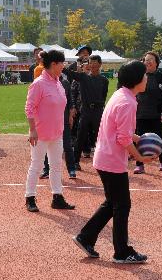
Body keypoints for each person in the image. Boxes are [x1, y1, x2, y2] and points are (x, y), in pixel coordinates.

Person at [73, 60, 155, 264]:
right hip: (111, 160)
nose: (146, 78)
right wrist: (140, 158)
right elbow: (123, 139)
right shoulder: (128, 102)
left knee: (113, 203)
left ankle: (86, 237)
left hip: (104, 157)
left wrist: (138, 138)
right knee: (122, 205)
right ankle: (121, 251)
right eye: (144, 75)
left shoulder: (121, 95)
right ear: (137, 80)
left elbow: (121, 131)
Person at [23, 49, 75, 212]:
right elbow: (29, 108)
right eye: (62, 63)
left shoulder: (58, 82)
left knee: (56, 166)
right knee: (36, 166)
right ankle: (30, 197)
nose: (64, 66)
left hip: (57, 133)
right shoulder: (38, 84)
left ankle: (57, 197)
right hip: (40, 133)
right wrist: (32, 130)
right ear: (54, 64)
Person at [66, 54, 109, 164]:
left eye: (95, 62)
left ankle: (103, 161)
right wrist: (60, 64)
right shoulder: (83, 77)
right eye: (91, 62)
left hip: (98, 111)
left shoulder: (104, 80)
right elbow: (69, 73)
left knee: (99, 136)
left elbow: (103, 96)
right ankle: (75, 162)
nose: (93, 64)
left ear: (100, 64)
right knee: (80, 136)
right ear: (88, 64)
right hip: (85, 111)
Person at [134, 52, 162, 174]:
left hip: (156, 113)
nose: (148, 62)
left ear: (156, 63)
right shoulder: (139, 75)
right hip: (141, 113)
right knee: (139, 139)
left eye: (151, 60)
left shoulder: (161, 76)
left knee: (159, 138)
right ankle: (139, 164)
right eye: (146, 60)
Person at [41, 67, 78, 180]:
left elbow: (70, 101)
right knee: (48, 145)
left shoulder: (65, 83)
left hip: (63, 120)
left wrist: (71, 116)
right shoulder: (44, 83)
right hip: (50, 121)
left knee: (67, 145)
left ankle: (71, 169)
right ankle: (46, 169)